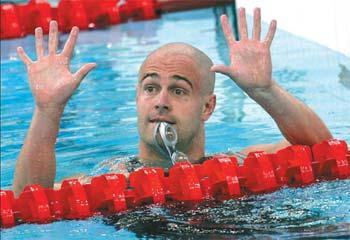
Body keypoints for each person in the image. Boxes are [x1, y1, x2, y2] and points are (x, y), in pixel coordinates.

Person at [13, 8, 332, 196]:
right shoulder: (110, 183)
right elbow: (28, 201)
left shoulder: (238, 165)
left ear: (208, 107)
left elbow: (325, 152)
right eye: (151, 88)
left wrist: (266, 90)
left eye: (179, 91)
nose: (161, 101)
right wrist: (47, 110)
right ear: (137, 99)